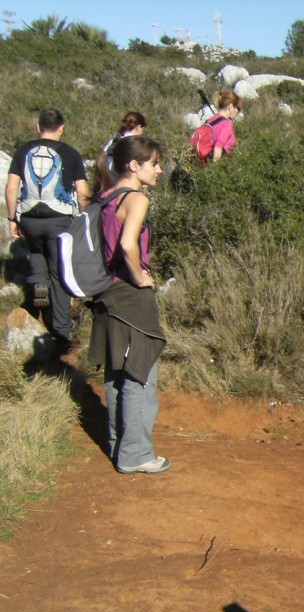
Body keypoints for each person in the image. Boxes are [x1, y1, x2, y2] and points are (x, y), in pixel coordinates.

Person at [87, 136, 170, 475]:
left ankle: (117, 443)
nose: (160, 169)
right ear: (134, 166)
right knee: (140, 372)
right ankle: (135, 454)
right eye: (154, 163)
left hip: (106, 293)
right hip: (130, 295)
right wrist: (139, 277)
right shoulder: (136, 198)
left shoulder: (103, 196)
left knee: (116, 373)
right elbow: (126, 243)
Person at [5, 108, 90, 344]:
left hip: (30, 219)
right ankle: (61, 330)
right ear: (61, 128)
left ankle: (39, 285)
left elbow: (12, 188)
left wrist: (13, 218)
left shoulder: (23, 151)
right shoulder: (71, 154)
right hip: (59, 220)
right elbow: (83, 192)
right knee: (60, 271)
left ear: (38, 127)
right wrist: (86, 219)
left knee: (36, 252)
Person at [95, 111, 147, 193]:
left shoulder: (111, 142)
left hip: (106, 185)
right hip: (121, 186)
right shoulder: (132, 145)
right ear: (139, 127)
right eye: (143, 128)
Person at [209, 90, 243, 161]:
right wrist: (216, 170)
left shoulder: (210, 121)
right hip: (222, 162)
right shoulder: (226, 124)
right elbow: (218, 148)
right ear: (231, 106)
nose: (237, 112)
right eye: (238, 108)